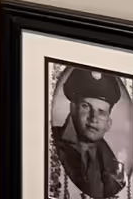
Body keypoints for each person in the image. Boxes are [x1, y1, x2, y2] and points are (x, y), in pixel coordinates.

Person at [53, 68, 128, 198]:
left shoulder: (113, 165)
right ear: (73, 109)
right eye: (86, 106)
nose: (93, 118)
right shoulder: (49, 143)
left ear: (108, 123)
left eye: (101, 112)